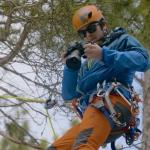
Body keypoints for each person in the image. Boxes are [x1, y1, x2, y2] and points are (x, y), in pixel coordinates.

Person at [47, 5, 150, 150]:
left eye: (91, 29)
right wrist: (71, 68)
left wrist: (104, 55)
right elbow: (69, 95)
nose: (88, 35)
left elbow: (144, 60)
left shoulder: (121, 40)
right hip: (95, 113)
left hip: (111, 103)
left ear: (103, 25)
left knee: (83, 145)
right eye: (83, 33)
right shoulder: (86, 66)